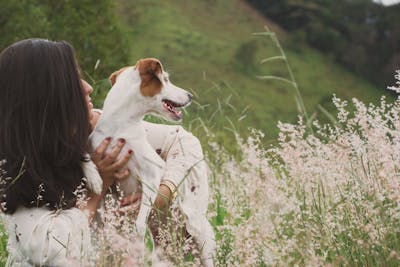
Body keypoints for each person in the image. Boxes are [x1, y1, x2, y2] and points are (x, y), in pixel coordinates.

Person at [0, 38, 214, 266]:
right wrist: (95, 192)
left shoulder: (105, 129)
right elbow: (48, 251)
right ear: (46, 98)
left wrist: (162, 194)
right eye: (72, 81)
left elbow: (182, 142)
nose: (88, 87)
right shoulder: (14, 171)